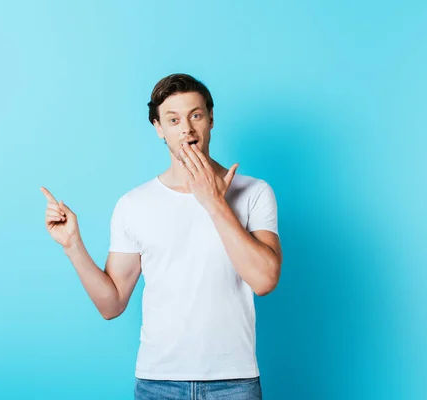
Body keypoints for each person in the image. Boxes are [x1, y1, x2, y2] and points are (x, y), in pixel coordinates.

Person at [40, 73, 282, 399]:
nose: (187, 128)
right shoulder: (133, 205)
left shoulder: (254, 192)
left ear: (211, 119)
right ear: (159, 128)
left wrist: (214, 203)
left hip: (234, 382)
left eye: (195, 115)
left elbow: (264, 280)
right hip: (159, 383)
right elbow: (111, 304)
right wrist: (73, 245)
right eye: (173, 119)